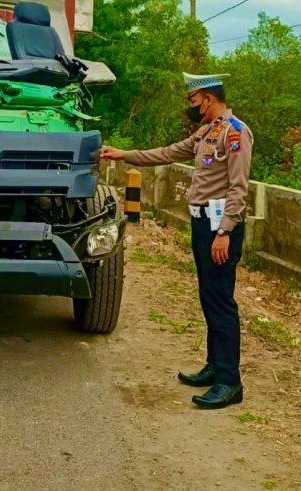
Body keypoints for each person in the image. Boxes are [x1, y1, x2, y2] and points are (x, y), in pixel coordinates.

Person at [101, 73, 253, 410]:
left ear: (208, 99)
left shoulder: (235, 134)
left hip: (220, 229)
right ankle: (215, 366)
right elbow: (167, 153)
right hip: (203, 224)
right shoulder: (206, 132)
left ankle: (230, 381)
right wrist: (124, 154)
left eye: (193, 101)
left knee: (221, 301)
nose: (191, 107)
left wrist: (225, 232)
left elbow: (238, 189)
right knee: (208, 296)